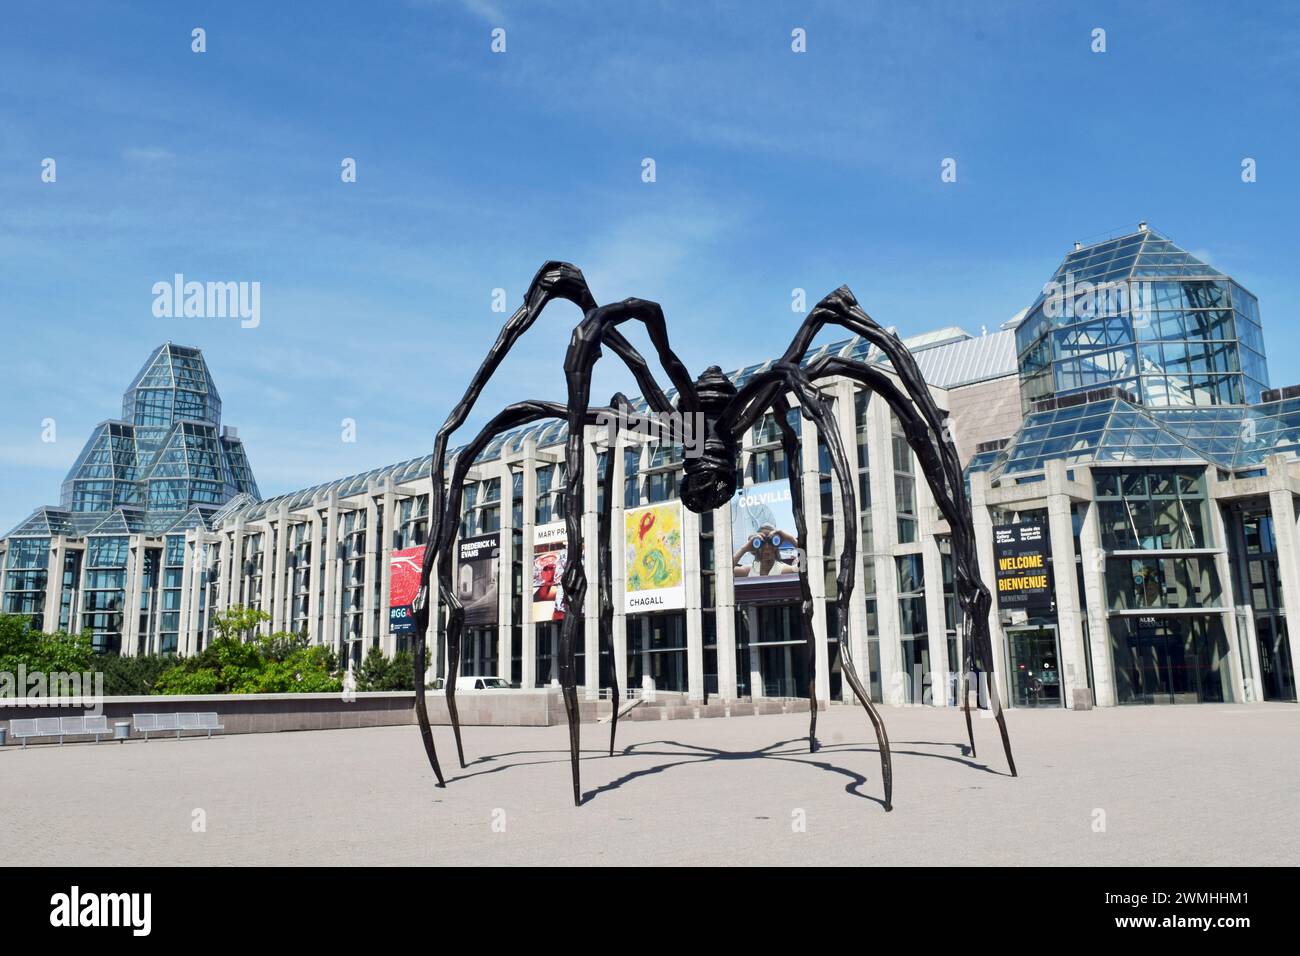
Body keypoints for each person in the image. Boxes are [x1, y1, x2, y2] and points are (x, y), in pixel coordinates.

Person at [733, 524, 799, 578]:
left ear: (777, 545)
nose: (767, 547)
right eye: (763, 542)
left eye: (771, 541)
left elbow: (805, 567)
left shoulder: (782, 569)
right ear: (756, 545)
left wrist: (790, 538)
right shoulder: (750, 570)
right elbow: (724, 571)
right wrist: (744, 548)